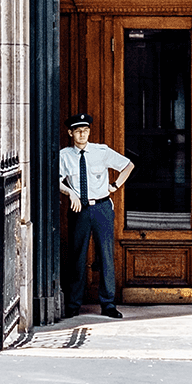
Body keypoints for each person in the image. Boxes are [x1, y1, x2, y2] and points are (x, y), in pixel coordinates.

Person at [59, 113, 135, 319]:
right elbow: (56, 179)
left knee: (106, 255)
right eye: (78, 131)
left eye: (85, 130)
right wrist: (70, 192)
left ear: (89, 132)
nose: (82, 134)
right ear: (70, 133)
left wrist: (115, 186)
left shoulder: (101, 152)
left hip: (101, 208)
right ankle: (73, 304)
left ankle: (108, 304)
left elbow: (128, 165)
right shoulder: (64, 155)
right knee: (77, 256)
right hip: (79, 210)